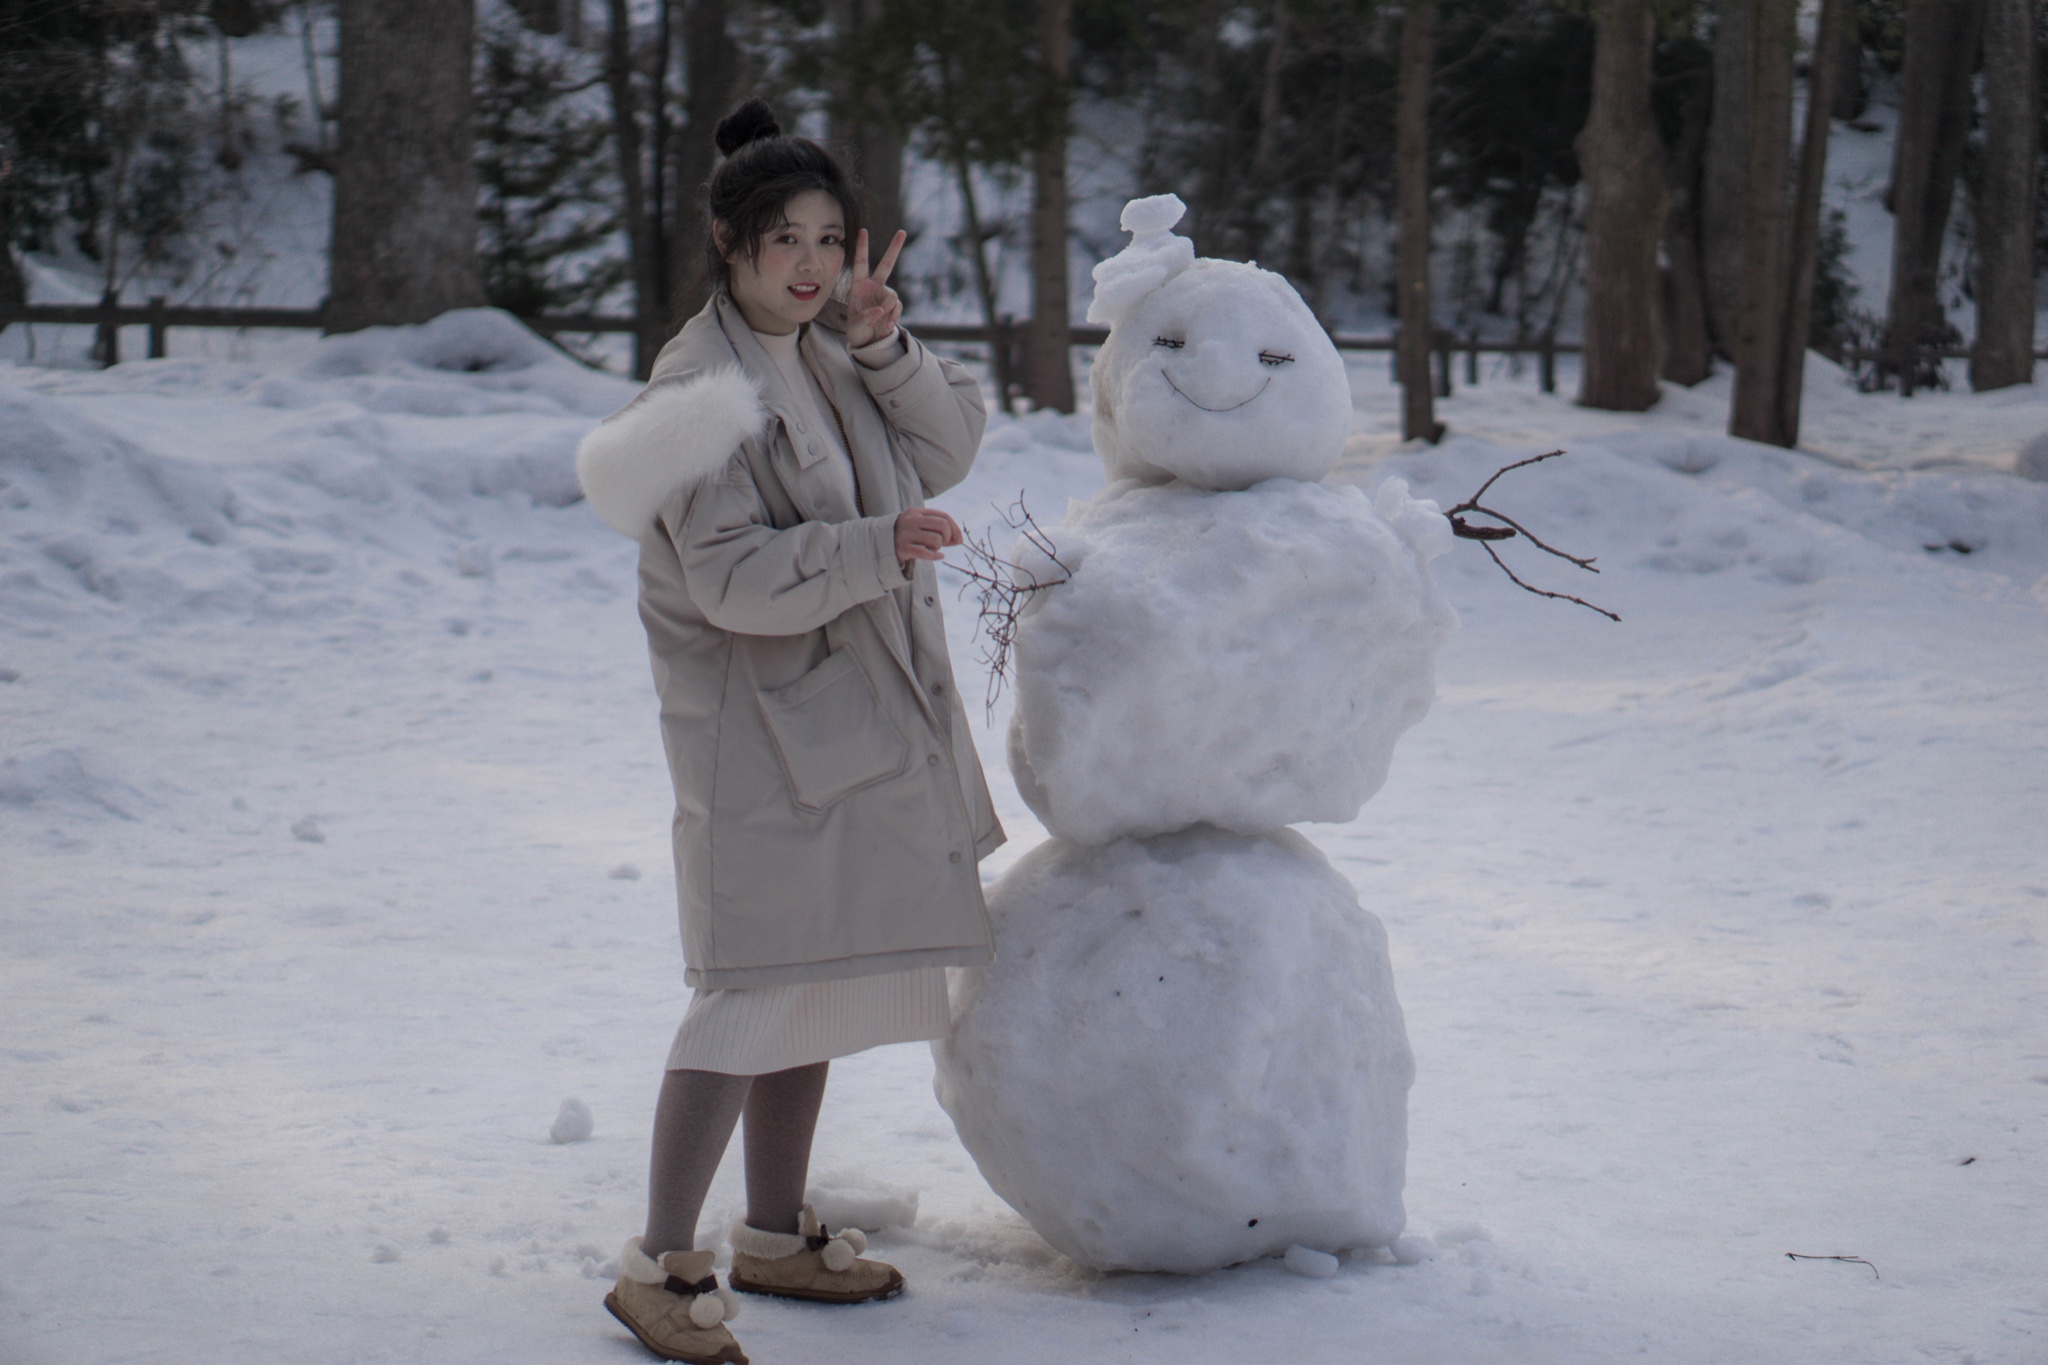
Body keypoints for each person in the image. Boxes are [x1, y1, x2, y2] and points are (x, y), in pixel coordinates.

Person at [572, 97, 1004, 1365]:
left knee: (818, 986)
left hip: (845, 721)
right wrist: (877, 548)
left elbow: (950, 449)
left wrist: (886, 350)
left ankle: (768, 1232)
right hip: (756, 737)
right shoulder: (701, 392)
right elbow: (730, 582)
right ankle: (658, 1260)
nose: (814, 264)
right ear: (728, 244)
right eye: (786, 242)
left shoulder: (823, 348)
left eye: (831, 238)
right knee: (751, 990)